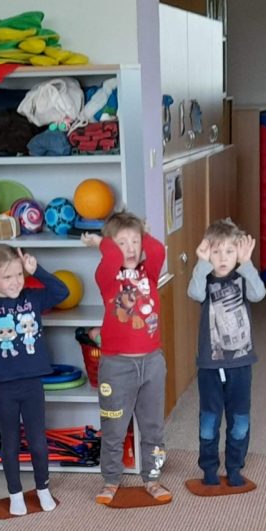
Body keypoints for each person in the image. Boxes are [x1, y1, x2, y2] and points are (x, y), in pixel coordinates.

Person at [0, 245, 64, 514]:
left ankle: (42, 488)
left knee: (38, 442)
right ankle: (15, 494)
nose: (16, 281)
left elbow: (61, 292)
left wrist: (36, 271)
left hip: (32, 383)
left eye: (19, 274)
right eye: (7, 277)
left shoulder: (31, 298)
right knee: (10, 442)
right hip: (3, 387)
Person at [82, 211, 170, 505]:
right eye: (122, 243)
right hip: (116, 365)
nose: (130, 249)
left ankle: (153, 478)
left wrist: (142, 232)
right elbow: (110, 258)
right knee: (114, 428)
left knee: (153, 427)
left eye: (135, 241)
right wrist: (103, 243)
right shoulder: (106, 277)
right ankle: (110, 480)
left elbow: (157, 250)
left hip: (152, 362)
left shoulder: (150, 272)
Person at [186, 220, 266, 488]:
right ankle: (209, 467)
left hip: (240, 364)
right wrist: (201, 263)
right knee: (209, 419)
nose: (222, 258)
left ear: (238, 253)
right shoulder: (204, 280)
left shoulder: (243, 278)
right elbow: (194, 292)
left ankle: (234, 466)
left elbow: (259, 294)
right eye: (216, 251)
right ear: (208, 252)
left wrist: (247, 264)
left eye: (229, 251)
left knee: (239, 418)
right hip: (210, 365)